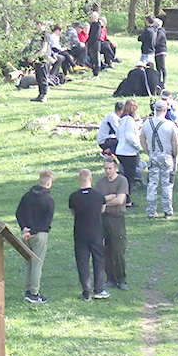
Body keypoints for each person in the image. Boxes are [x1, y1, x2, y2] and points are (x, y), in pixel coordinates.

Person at [68, 169, 109, 301]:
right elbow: (102, 210)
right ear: (90, 179)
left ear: (79, 180)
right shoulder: (99, 196)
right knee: (99, 260)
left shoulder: (73, 197)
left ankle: (86, 292)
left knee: (82, 262)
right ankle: (99, 289)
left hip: (80, 233)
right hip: (96, 232)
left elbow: (73, 213)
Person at [15, 170, 55, 303]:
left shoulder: (27, 196)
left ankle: (27, 290)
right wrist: (33, 231)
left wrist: (24, 229)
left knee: (28, 263)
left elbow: (18, 213)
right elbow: (47, 222)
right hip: (39, 235)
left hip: (25, 234)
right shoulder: (49, 199)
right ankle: (34, 293)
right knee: (37, 264)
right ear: (49, 183)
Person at [141, 100, 178, 219]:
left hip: (153, 154)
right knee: (167, 185)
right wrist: (175, 155)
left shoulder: (146, 124)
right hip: (167, 155)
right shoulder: (170, 125)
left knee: (152, 184)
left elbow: (142, 140)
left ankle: (151, 211)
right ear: (165, 110)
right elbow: (175, 143)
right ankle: (167, 210)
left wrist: (148, 151)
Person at [97, 156, 130, 291]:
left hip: (117, 218)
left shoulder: (122, 181)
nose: (107, 171)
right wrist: (108, 199)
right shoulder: (100, 182)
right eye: (105, 168)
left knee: (118, 249)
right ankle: (110, 278)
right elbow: (96, 200)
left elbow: (120, 200)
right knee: (106, 249)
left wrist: (104, 203)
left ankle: (121, 279)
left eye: (110, 168)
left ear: (115, 168)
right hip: (103, 218)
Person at [115, 99, 142, 200]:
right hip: (128, 152)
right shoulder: (130, 120)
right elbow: (129, 136)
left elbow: (118, 135)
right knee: (130, 177)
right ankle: (126, 199)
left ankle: (124, 197)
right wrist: (137, 145)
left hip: (120, 150)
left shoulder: (122, 120)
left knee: (126, 175)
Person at [152, 17, 167, 89]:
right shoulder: (159, 31)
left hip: (161, 51)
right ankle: (159, 81)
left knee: (161, 67)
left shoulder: (160, 32)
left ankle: (164, 82)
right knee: (158, 67)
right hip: (158, 51)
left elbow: (156, 41)